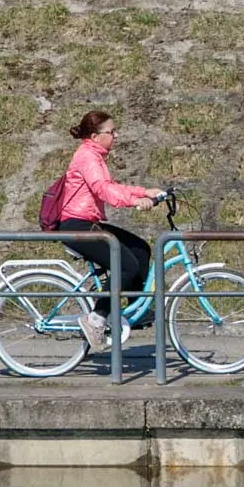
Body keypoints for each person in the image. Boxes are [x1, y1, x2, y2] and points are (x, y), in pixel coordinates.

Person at [51, 110, 165, 351]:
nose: (116, 135)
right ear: (95, 136)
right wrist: (135, 201)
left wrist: (144, 192)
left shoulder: (95, 156)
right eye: (111, 132)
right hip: (76, 225)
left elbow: (111, 186)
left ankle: (136, 310)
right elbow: (103, 190)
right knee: (126, 265)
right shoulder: (87, 157)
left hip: (88, 222)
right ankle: (96, 318)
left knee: (140, 249)